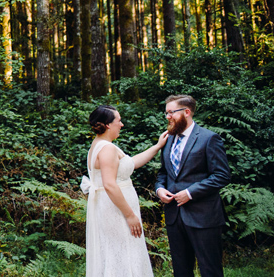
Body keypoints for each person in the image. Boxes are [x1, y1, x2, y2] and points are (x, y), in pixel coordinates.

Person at [82, 105, 167, 277]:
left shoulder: (100, 145)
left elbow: (131, 163)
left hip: (113, 208)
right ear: (107, 125)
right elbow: (110, 185)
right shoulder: (107, 149)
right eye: (118, 121)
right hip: (117, 211)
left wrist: (157, 146)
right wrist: (129, 215)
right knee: (122, 253)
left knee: (120, 251)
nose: (121, 125)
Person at [155, 94, 231, 277]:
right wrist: (159, 189)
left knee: (210, 270)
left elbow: (222, 175)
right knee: (181, 271)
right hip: (174, 216)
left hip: (203, 216)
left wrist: (190, 192)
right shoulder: (168, 139)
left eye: (171, 112)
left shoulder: (209, 138)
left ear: (187, 112)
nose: (167, 117)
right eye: (166, 113)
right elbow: (163, 173)